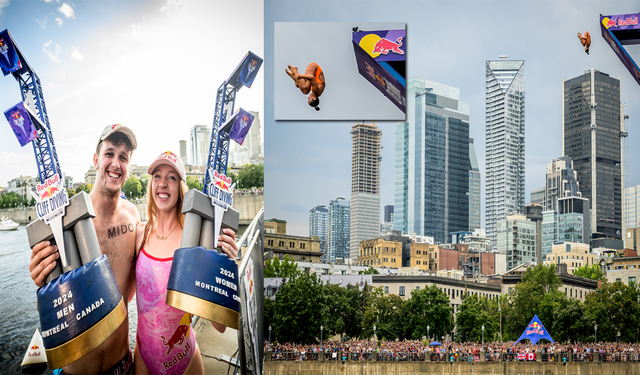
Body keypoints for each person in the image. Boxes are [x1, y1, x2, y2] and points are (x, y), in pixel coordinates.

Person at [29, 124, 140, 374]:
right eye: (109, 153)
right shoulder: (64, 220)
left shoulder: (133, 218)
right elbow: (46, 306)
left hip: (121, 365)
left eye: (123, 157)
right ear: (96, 160)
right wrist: (39, 278)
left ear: (128, 167)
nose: (115, 163)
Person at [132, 151, 238, 375]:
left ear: (181, 187)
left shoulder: (194, 241)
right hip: (142, 358)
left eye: (171, 177)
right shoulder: (140, 233)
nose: (163, 184)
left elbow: (219, 326)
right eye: (157, 176)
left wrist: (227, 265)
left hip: (184, 362)